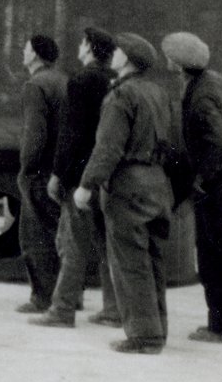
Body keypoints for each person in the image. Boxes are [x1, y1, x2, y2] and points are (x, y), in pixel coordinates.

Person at [74, 31, 174, 355]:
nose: (112, 54)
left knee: (130, 264)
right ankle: (157, 330)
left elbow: (108, 148)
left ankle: (144, 337)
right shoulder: (158, 93)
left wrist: (86, 186)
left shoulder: (120, 96)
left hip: (128, 186)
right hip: (158, 184)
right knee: (154, 262)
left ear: (127, 60)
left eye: (117, 51)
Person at [163, 31, 222, 344]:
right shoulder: (216, 81)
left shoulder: (200, 98)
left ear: (176, 64)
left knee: (216, 257)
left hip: (220, 190)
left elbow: (221, 148)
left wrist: (201, 179)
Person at [37, 26, 121, 329]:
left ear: (89, 48)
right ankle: (113, 310)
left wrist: (58, 174)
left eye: (83, 42)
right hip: (108, 176)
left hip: (80, 176)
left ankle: (62, 310)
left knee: (71, 242)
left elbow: (71, 133)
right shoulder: (114, 79)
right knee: (105, 242)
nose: (79, 46)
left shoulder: (82, 80)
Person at [14, 33, 65, 314]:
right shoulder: (63, 81)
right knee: (59, 234)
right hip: (60, 170)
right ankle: (68, 294)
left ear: (34, 54)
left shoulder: (35, 85)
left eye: (25, 48)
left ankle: (42, 297)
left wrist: (27, 169)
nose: (23, 53)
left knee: (35, 236)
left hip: (40, 172)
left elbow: (35, 135)